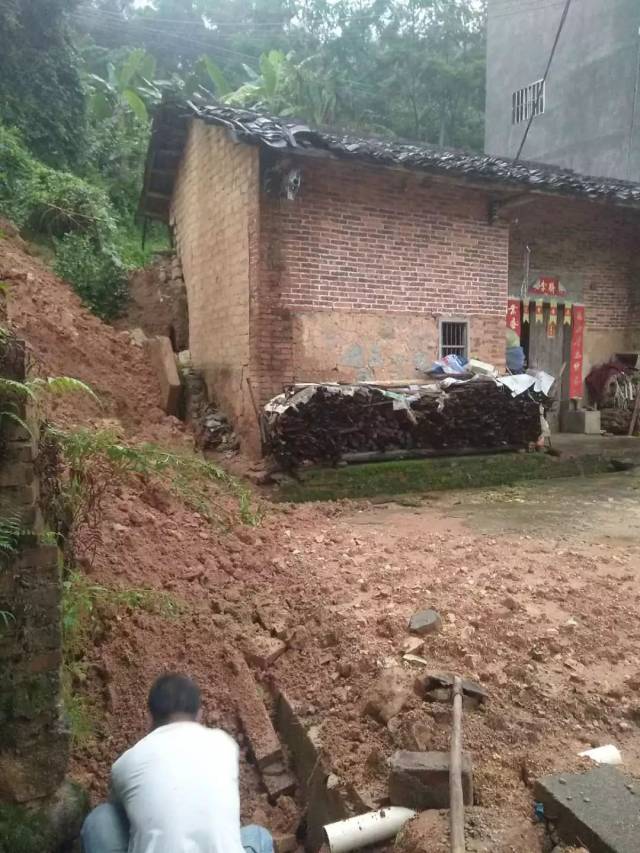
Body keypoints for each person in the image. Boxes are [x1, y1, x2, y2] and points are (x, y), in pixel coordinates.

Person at [81, 673, 274, 853]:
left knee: (101, 819)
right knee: (258, 835)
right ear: (199, 714)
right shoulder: (224, 744)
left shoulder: (126, 763)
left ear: (150, 716)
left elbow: (121, 810)